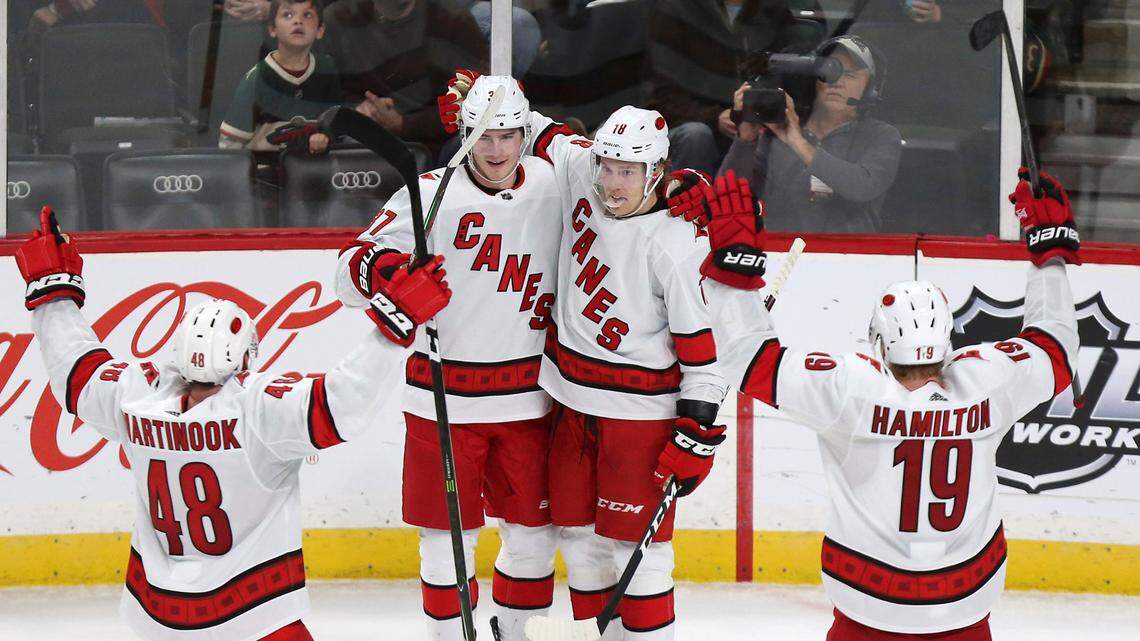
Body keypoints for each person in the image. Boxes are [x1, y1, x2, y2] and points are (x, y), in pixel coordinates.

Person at [680, 167, 1080, 640]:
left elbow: (748, 358)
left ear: (879, 342)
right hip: (966, 606)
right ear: (946, 342)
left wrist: (733, 266)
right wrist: (1048, 252)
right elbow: (1056, 345)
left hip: (866, 606)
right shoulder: (988, 380)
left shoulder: (849, 390)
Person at [16, 207, 451, 641]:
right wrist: (394, 323)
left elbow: (73, 368)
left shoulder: (136, 398)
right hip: (255, 614)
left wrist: (53, 292)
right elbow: (342, 403)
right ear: (244, 357)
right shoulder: (258, 409)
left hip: (157, 617)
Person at [442, 75, 730, 639]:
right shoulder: (580, 171)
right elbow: (535, 128)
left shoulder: (677, 243)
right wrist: (488, 90)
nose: (612, 182)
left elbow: (705, 354)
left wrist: (695, 427)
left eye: (628, 172)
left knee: (637, 551)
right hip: (570, 402)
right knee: (576, 536)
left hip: (639, 418)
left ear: (657, 174)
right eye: (607, 166)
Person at [335, 76, 563, 641]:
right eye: (483, 136)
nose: (495, 150)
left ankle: (515, 630)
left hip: (529, 397)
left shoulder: (556, 185)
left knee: (534, 536)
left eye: (508, 135)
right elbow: (346, 270)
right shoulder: (430, 193)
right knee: (445, 540)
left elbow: (624, 198)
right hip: (442, 398)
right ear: (463, 134)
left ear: (524, 135)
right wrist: (387, 274)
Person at [719, 35, 902, 233]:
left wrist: (797, 142)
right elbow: (727, 199)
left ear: (870, 89)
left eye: (849, 75)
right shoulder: (778, 131)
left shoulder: (882, 136)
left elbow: (861, 186)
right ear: (815, 81)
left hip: (851, 258)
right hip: (781, 256)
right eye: (828, 71)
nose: (836, 81)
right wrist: (745, 139)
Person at [645, 0, 812, 177]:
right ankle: (690, 202)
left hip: (758, 127)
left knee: (783, 140)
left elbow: (798, 75)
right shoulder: (677, 9)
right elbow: (659, 96)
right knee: (696, 135)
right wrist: (715, 117)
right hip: (693, 129)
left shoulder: (773, 11)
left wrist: (770, 110)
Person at [319, 0, 489, 158]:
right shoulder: (338, 19)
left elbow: (479, 99)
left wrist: (405, 124)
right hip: (357, 144)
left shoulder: (452, 20)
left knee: (477, 143)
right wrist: (355, 110)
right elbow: (314, 90)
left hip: (437, 149)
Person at [219, 0, 347, 153]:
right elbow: (230, 144)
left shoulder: (326, 67)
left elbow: (336, 123)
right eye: (288, 15)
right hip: (265, 170)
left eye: (307, 15)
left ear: (320, 30)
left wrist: (325, 136)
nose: (298, 21)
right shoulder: (258, 78)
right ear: (273, 29)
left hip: (314, 167)